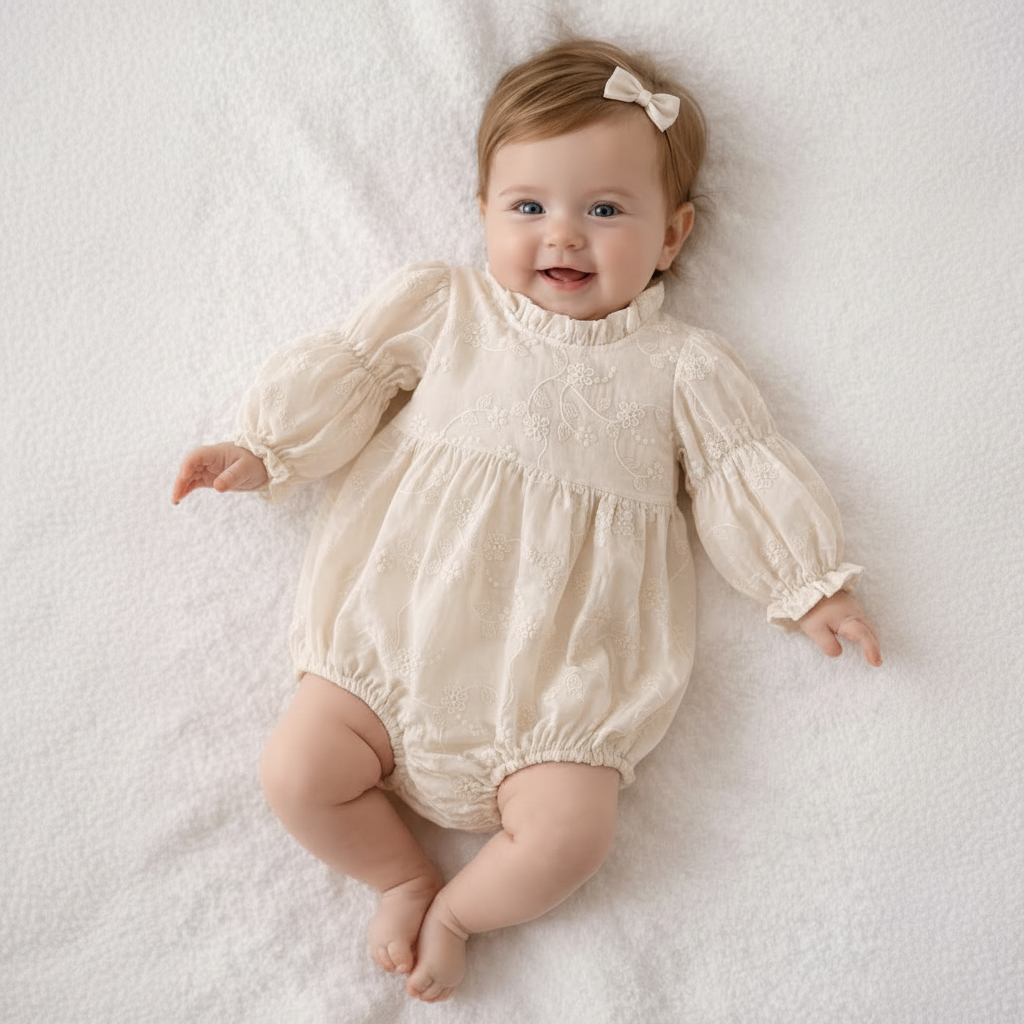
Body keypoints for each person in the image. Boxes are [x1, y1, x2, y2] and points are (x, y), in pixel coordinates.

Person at [172, 38, 881, 1002]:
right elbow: (353, 373)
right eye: (529, 207)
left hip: (561, 687)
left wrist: (808, 583)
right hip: (392, 641)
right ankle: (403, 875)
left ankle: (460, 911)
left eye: (604, 210)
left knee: (571, 834)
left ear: (672, 237)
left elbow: (737, 475)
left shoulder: (684, 367)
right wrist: (265, 450)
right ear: (483, 215)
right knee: (296, 774)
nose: (563, 236)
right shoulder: (445, 307)